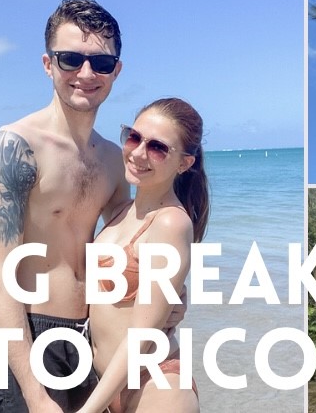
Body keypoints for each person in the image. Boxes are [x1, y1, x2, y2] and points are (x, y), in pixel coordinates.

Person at [0, 0, 130, 413]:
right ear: (48, 64)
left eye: (100, 62)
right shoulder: (14, 146)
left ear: (116, 70)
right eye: (70, 59)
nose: (85, 73)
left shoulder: (115, 160)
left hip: (91, 337)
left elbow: (128, 251)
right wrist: (35, 394)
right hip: (27, 338)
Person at [77, 98, 209, 413]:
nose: (138, 153)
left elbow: (141, 336)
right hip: (109, 389)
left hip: (157, 387)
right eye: (134, 137)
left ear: (184, 163)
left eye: (158, 147)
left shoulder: (171, 223)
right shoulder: (121, 211)